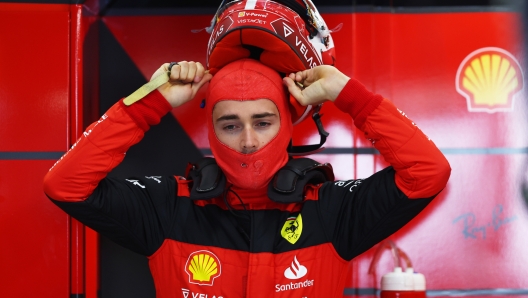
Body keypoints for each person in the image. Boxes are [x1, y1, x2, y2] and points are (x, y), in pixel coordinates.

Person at [43, 58, 450, 298]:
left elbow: (427, 172)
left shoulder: (332, 209)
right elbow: (66, 184)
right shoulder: (167, 205)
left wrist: (349, 94)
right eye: (230, 125)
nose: (249, 140)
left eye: (263, 121)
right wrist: (151, 102)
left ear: (286, 125)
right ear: (211, 131)